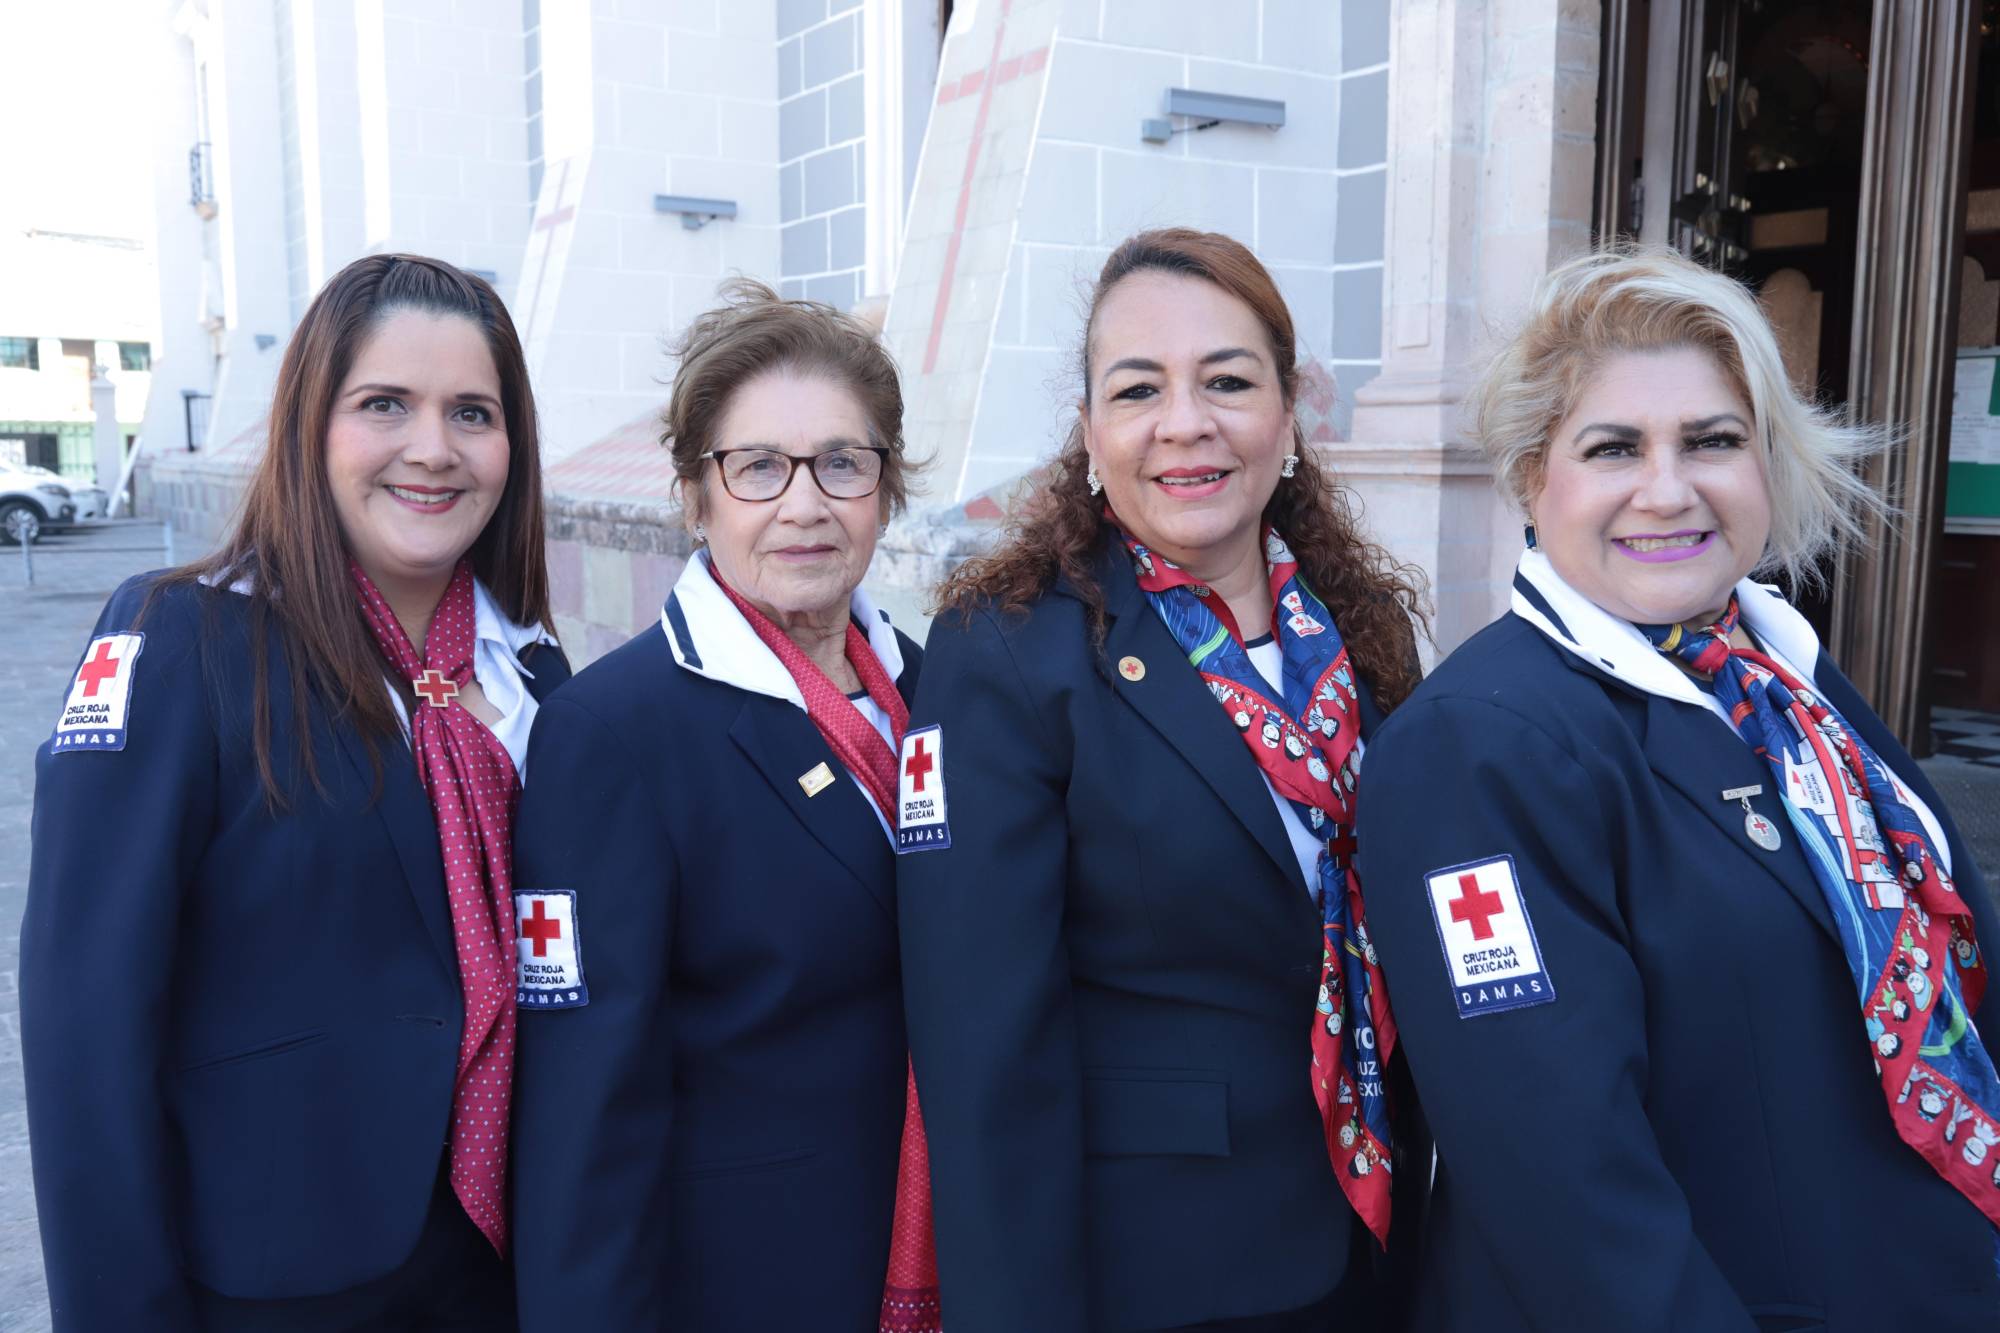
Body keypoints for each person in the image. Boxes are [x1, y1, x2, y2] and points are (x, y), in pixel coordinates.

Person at [1355, 246, 2000, 1330]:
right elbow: (1566, 1192)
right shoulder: (1474, 748)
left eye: (1711, 441)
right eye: (1612, 447)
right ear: (1530, 477)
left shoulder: (1781, 679)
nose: (1668, 488)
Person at [898, 228, 1430, 1332]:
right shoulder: (1004, 652)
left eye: (1226, 381)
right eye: (1137, 388)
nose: (1184, 422)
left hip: (1374, 1240)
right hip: (1154, 1268)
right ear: (1089, 433)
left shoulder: (1360, 632)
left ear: (1288, 415)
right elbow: (984, 1047)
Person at [21, 254, 565, 1330]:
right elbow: (85, 1019)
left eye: (472, 411)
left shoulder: (533, 668)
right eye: (383, 405)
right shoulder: (184, 637)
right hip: (275, 1283)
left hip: (507, 1266)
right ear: (311, 425)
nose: (433, 448)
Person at [510, 281, 936, 1330]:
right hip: (747, 1286)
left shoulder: (941, 693)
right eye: (757, 467)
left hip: (948, 1252)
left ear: (885, 487)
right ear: (696, 494)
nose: (804, 504)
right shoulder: (612, 732)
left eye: (843, 461)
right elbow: (585, 1112)